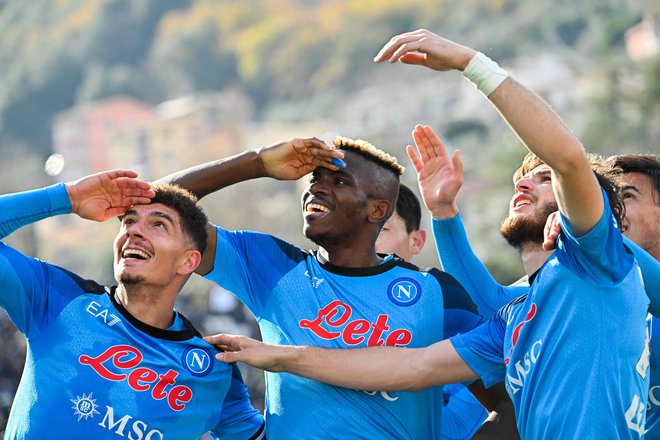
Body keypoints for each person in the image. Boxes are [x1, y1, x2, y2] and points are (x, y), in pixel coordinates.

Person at [208, 30, 650, 438]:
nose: (522, 182)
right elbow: (412, 365)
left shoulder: (595, 263)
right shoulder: (511, 319)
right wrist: (281, 356)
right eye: (523, 176)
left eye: (540, 177)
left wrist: (470, 63)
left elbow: (569, 160)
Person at [160, 137, 514, 439]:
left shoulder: (437, 294)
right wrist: (257, 163)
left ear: (377, 210)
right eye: (315, 178)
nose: (317, 187)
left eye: (339, 181)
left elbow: (510, 399)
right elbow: (155, 209)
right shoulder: (269, 265)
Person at [0, 170, 265, 439]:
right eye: (128, 221)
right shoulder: (58, 298)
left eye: (158, 224)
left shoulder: (214, 372)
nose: (133, 231)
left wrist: (286, 360)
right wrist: (68, 196)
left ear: (188, 261)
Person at [376, 183, 489, 440]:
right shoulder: (312, 303)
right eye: (354, 229)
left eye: (381, 229)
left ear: (416, 240)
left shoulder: (442, 301)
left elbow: (489, 394)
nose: (365, 240)